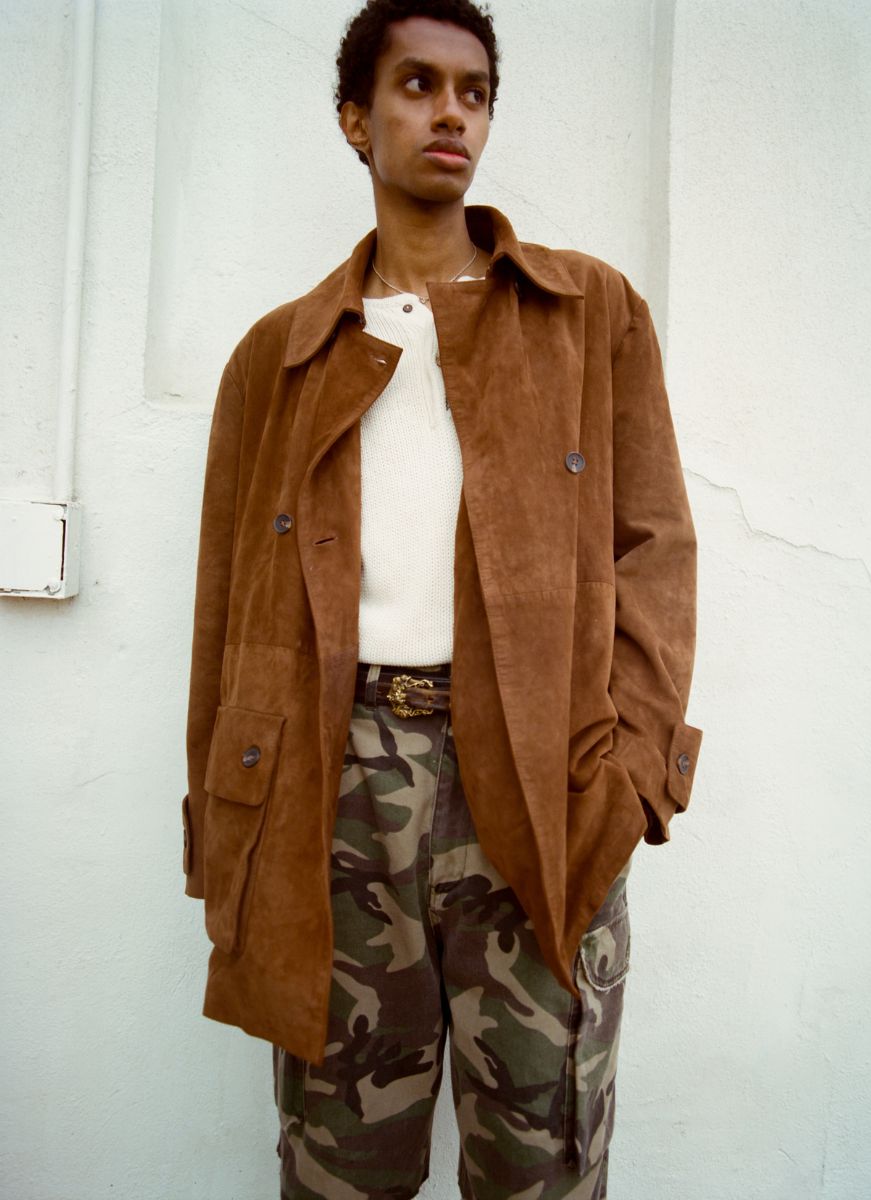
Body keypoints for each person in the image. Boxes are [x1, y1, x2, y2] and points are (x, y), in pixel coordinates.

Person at [181, 0, 703, 1195]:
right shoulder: (282, 353)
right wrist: (224, 819)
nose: (451, 113)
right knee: (338, 1163)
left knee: (545, 1161)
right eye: (417, 86)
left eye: (473, 91)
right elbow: (223, 603)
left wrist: (628, 771)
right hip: (333, 785)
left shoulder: (587, 315)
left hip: (539, 775)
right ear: (357, 120)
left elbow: (655, 547)